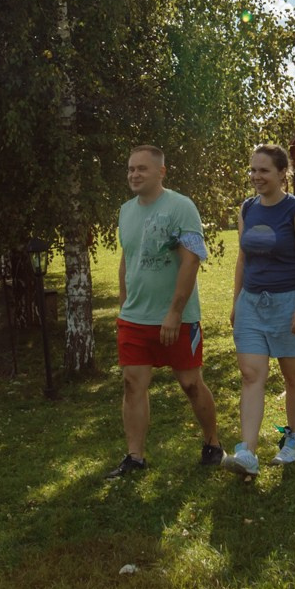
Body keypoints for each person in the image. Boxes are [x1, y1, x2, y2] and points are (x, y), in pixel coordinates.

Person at [110, 144, 220, 478]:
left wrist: (174, 311)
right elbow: (128, 257)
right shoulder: (126, 211)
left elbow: (191, 259)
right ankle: (135, 457)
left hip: (177, 317)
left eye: (142, 169)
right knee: (132, 383)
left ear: (161, 172)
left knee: (189, 383)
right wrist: (124, 300)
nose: (134, 175)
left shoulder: (180, 207)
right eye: (130, 169)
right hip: (135, 317)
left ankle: (212, 443)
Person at [224, 145, 295, 476]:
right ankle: (247, 452)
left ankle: (293, 442)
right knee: (251, 375)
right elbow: (243, 258)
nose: (256, 176)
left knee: (293, 376)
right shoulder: (248, 208)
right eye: (252, 170)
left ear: (283, 173)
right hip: (251, 302)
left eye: (263, 170)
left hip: (289, 302)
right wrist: (236, 300)